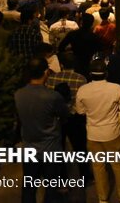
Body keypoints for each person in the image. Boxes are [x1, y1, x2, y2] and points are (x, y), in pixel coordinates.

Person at [14, 56, 70, 203]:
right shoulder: (52, 96)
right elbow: (65, 115)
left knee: (29, 189)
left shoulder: (18, 94)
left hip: (29, 149)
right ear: (46, 72)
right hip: (51, 149)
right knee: (51, 190)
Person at [76, 60, 120, 203]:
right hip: (112, 133)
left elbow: (80, 111)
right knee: (118, 165)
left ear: (90, 74)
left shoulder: (83, 90)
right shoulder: (116, 88)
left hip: (93, 135)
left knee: (98, 167)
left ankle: (102, 197)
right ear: (106, 73)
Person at [45, 52, 90, 182]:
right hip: (75, 117)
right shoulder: (81, 79)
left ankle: (62, 176)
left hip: (57, 117)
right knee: (80, 147)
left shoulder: (52, 78)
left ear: (62, 64)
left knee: (59, 147)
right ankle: (84, 174)